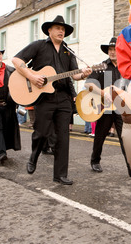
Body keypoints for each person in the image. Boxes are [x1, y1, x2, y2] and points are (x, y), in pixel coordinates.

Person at [12, 15, 92, 185]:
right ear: (49, 30)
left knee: (63, 136)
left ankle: (60, 174)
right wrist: (31, 76)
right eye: (58, 28)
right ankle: (34, 156)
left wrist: (83, 74)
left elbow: (75, 74)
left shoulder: (68, 51)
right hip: (44, 97)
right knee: (41, 132)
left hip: (63, 98)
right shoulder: (39, 46)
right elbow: (16, 60)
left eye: (63, 29)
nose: (61, 31)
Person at [84, 37, 131, 176]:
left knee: (125, 138)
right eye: (110, 49)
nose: (112, 52)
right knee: (100, 136)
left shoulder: (125, 67)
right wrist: (103, 92)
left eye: (115, 49)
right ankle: (95, 161)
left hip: (121, 107)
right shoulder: (102, 66)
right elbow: (88, 84)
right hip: (104, 107)